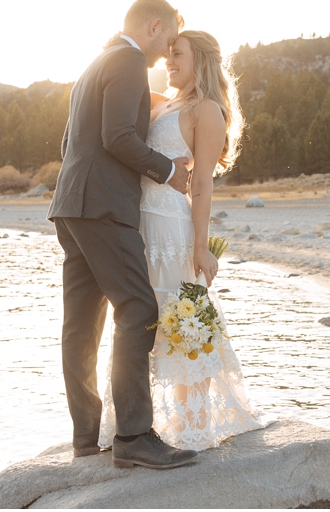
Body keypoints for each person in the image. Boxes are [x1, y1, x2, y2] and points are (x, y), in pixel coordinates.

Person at [98, 30, 267, 453]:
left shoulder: (205, 110)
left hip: (174, 231)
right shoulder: (163, 102)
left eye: (178, 56)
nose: (168, 62)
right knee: (142, 324)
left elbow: (203, 186)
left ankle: (193, 426)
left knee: (183, 326)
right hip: (141, 229)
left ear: (202, 61)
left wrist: (200, 246)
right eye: (167, 54)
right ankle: (144, 427)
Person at [48, 0, 198, 469]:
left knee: (81, 324)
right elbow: (117, 137)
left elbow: (72, 140)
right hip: (104, 207)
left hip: (71, 205)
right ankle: (133, 436)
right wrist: (166, 169)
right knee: (138, 307)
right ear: (153, 27)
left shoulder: (96, 62)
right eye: (168, 38)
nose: (167, 50)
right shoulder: (131, 61)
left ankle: (85, 438)